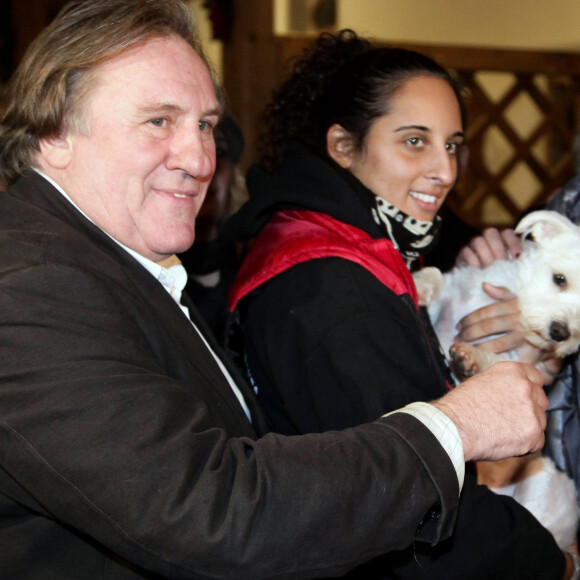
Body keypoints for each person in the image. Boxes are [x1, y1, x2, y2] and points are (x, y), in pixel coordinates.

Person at [0, 3, 552, 579]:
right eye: (159, 121)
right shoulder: (29, 289)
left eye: (205, 125)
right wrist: (455, 428)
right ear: (54, 133)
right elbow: (217, 513)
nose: (198, 159)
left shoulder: (116, 264)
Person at [226, 30, 572, 578]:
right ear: (343, 146)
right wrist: (555, 564)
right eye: (415, 141)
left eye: (452, 144)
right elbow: (416, 498)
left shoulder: (318, 236)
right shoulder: (330, 285)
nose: (445, 170)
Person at [179, 112, 246, 342]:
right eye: (195, 153)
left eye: (219, 153)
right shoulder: (150, 276)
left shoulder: (256, 264)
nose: (206, 166)